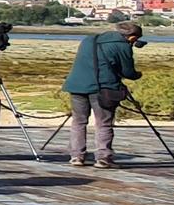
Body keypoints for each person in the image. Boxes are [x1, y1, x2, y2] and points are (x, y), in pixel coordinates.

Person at [62, 21, 145, 168]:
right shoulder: (123, 46)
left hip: (76, 85)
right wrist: (138, 75)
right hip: (103, 88)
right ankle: (103, 158)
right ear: (132, 37)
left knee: (78, 122)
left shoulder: (89, 39)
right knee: (104, 123)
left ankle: (76, 156)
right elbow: (128, 72)